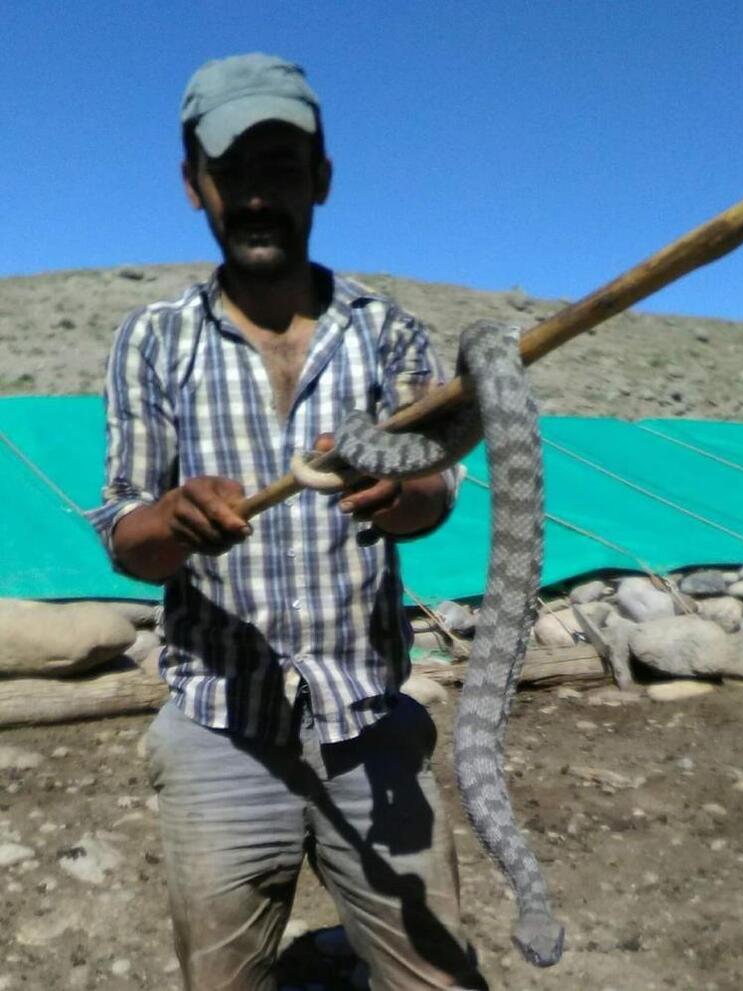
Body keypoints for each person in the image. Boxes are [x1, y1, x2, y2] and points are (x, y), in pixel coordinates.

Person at [88, 52, 487, 991]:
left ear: (322, 178)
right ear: (195, 185)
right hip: (219, 731)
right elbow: (126, 536)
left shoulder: (386, 332)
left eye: (281, 168)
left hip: (370, 721)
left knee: (437, 977)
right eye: (232, 172)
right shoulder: (154, 341)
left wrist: (404, 492)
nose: (258, 196)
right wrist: (173, 520)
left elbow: (436, 491)